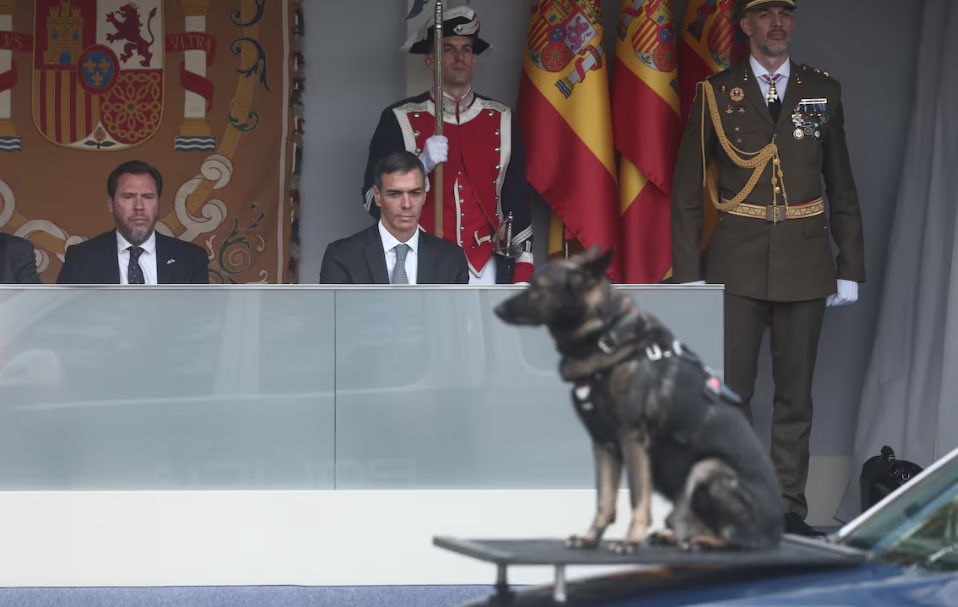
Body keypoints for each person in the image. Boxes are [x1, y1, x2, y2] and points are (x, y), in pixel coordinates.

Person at [671, 0, 865, 536]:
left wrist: (850, 263)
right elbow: (688, 189)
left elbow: (841, 184)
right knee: (730, 390)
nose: (777, 23)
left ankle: (785, 507)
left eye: (785, 13)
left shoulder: (822, 90)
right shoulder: (715, 92)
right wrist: (688, 271)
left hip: (805, 258)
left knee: (795, 395)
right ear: (746, 26)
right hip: (735, 259)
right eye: (765, 14)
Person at [361, 6, 534, 285]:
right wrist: (420, 165)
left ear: (475, 58)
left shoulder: (501, 117)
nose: (458, 57)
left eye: (466, 49)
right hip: (421, 261)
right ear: (431, 59)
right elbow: (371, 200)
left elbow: (517, 199)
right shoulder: (398, 118)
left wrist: (523, 270)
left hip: (486, 265)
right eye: (448, 49)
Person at [322, 151, 468, 285]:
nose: (407, 204)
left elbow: (459, 313)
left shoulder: (451, 259)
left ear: (424, 195)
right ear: (378, 196)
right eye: (395, 194)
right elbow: (332, 313)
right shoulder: (343, 256)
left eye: (415, 193)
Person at [57, 160, 209, 284]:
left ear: (158, 203)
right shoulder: (82, 259)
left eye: (148, 197)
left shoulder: (190, 259)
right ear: (111, 205)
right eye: (128, 197)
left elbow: (202, 318)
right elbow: (64, 318)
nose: (139, 207)